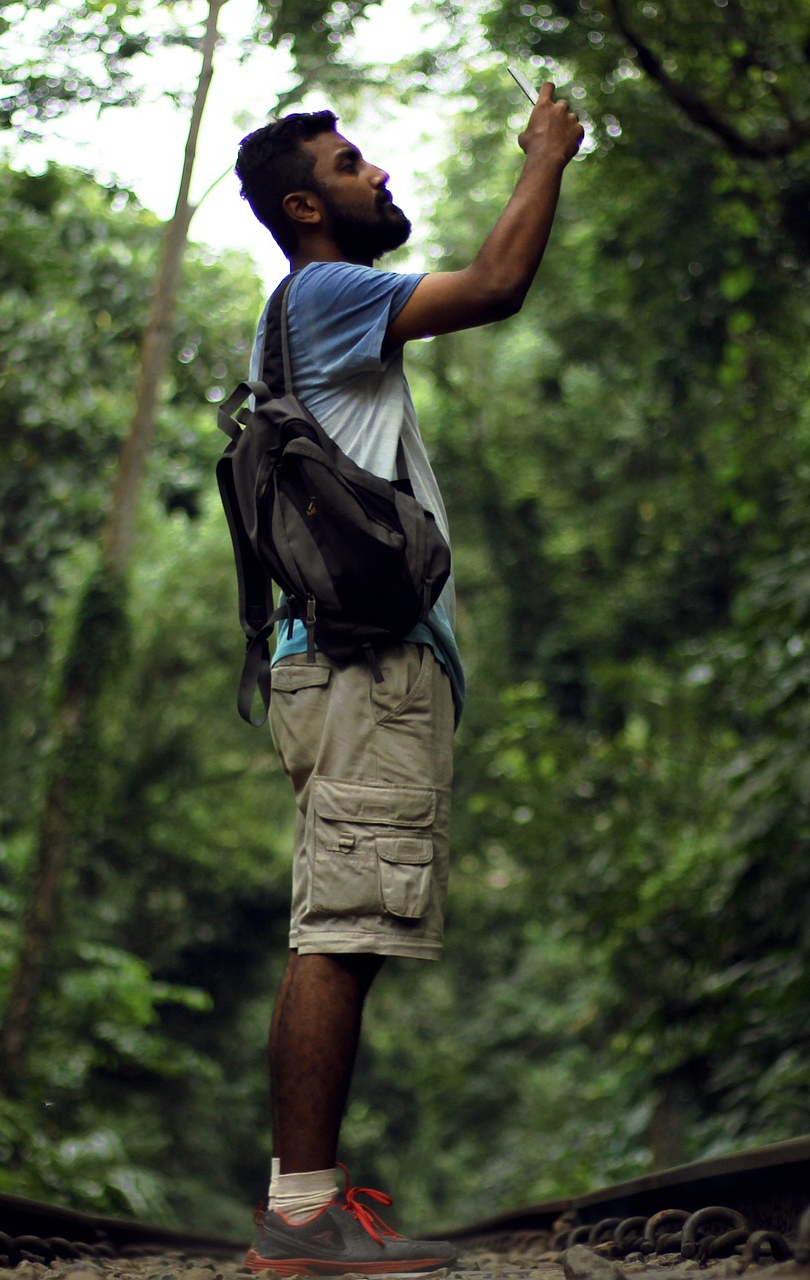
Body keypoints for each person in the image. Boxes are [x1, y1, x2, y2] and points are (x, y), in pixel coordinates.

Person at [232, 85, 583, 1277]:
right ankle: (297, 1219)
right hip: (362, 668)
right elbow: (495, 284)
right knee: (340, 922)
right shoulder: (327, 293)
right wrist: (546, 155)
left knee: (345, 919)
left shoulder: (308, 315)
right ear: (304, 205)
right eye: (350, 163)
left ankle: (308, 1203)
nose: (376, 174)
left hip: (346, 666)